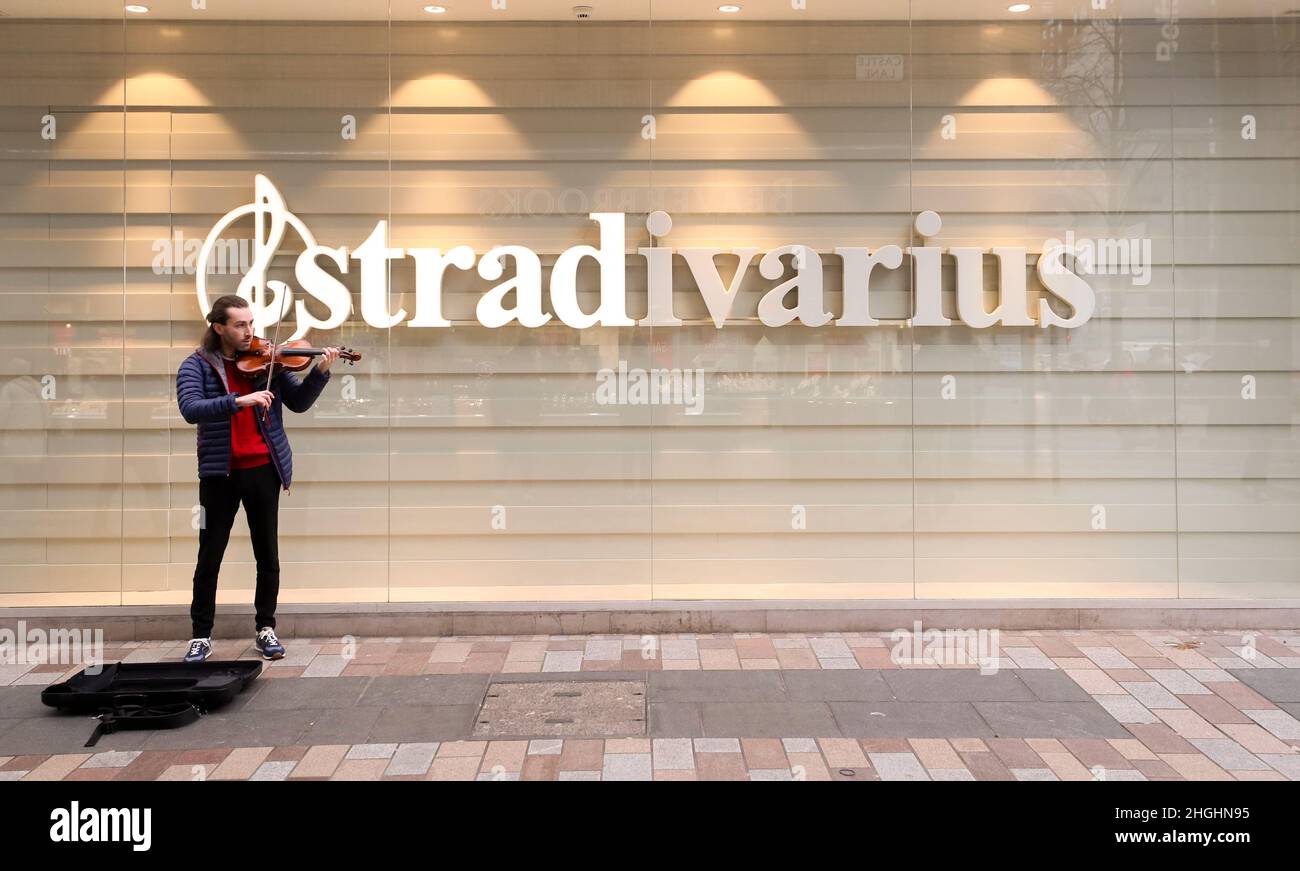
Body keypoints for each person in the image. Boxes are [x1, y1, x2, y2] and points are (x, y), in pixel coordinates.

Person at [175, 294, 338, 663]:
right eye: (240, 325)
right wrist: (239, 401)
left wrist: (320, 372)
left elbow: (298, 403)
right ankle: (201, 635)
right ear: (219, 328)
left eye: (251, 323)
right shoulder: (196, 365)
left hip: (264, 469)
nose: (250, 332)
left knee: (267, 553)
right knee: (210, 554)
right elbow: (190, 409)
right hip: (220, 472)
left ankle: (266, 628)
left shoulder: (270, 363)